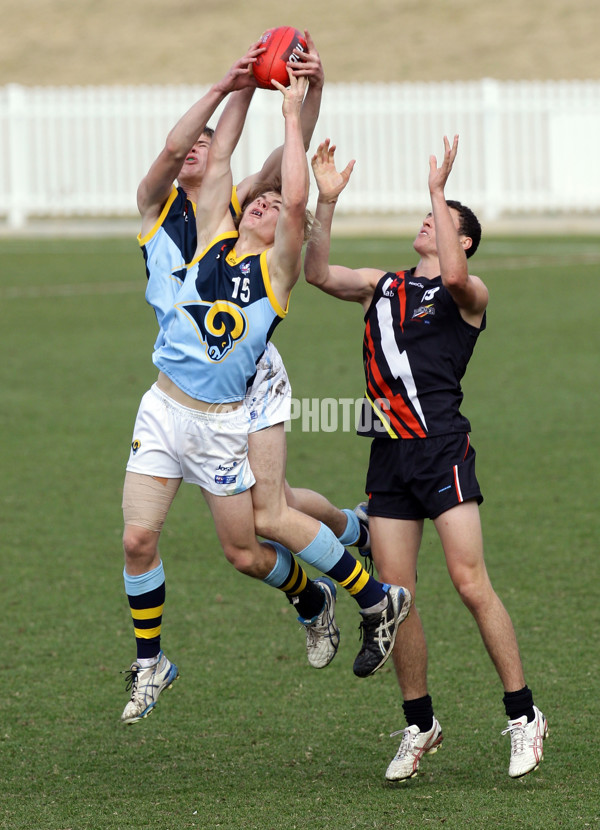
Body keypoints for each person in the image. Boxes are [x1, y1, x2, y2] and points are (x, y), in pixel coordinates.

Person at [120, 47, 411, 724]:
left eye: (203, 142)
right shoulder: (186, 221)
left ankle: (365, 585)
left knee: (267, 517)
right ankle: (317, 587)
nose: (195, 149)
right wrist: (236, 85)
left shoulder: (259, 234)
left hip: (239, 391)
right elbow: (204, 154)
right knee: (233, 544)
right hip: (169, 400)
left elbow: (289, 178)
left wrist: (291, 97)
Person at [303, 135, 548, 780]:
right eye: (428, 216)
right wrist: (325, 203)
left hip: (442, 448)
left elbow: (461, 279)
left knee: (471, 583)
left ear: (460, 238)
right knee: (396, 596)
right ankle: (419, 725)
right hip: (388, 454)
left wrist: (438, 191)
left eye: (440, 222)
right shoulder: (382, 286)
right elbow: (318, 274)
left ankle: (524, 716)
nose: (427, 223)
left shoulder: (469, 295)